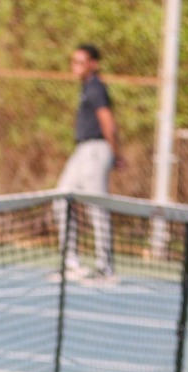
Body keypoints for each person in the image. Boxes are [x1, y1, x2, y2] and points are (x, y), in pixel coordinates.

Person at [54, 44, 120, 282]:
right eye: (73, 62)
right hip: (81, 150)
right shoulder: (86, 88)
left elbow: (107, 121)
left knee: (96, 207)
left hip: (96, 151)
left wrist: (115, 153)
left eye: (81, 62)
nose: (75, 66)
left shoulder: (96, 88)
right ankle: (70, 263)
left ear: (93, 64)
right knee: (61, 198)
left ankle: (105, 267)